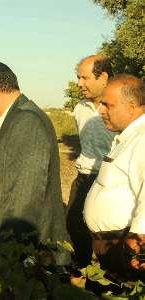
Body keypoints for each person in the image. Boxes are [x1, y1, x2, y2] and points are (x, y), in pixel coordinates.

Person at [0, 59, 69, 266]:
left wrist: (8, 260)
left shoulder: (26, 122)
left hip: (21, 260)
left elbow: (25, 200)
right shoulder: (14, 120)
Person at [84, 74, 145, 278]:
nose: (101, 111)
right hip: (112, 249)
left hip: (124, 253)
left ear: (131, 106)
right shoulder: (129, 136)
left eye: (107, 105)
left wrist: (131, 258)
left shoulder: (142, 139)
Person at [66, 55, 116, 266]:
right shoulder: (80, 109)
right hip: (83, 178)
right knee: (73, 227)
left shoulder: (121, 108)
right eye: (78, 77)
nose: (79, 83)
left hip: (109, 182)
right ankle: (81, 274)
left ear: (103, 77)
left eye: (84, 78)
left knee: (107, 237)